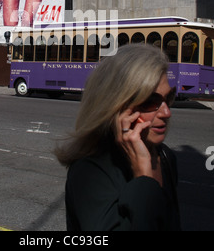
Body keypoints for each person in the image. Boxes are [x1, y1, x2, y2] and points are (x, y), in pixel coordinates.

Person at [55, 44, 181, 231]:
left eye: (168, 98)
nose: (166, 112)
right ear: (117, 107)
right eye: (151, 101)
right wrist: (144, 180)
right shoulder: (90, 172)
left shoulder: (165, 157)